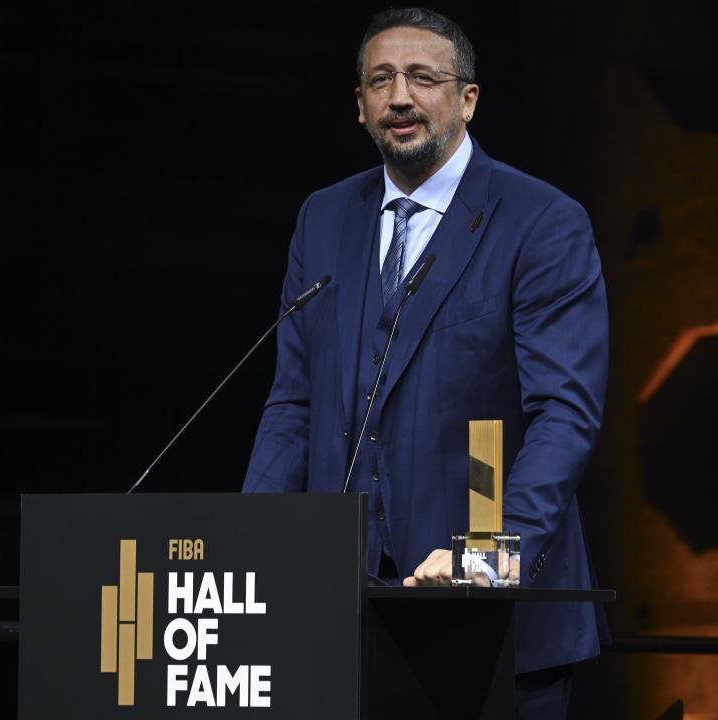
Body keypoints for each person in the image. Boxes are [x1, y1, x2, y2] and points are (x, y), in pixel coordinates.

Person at [242, 7, 607, 717]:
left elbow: (564, 415)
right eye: (380, 80)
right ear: (359, 105)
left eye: (422, 78)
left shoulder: (540, 220)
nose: (400, 97)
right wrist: (251, 542)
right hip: (340, 618)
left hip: (493, 622)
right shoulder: (324, 217)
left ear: (468, 99)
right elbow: (294, 403)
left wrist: (492, 554)